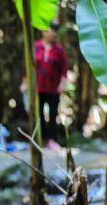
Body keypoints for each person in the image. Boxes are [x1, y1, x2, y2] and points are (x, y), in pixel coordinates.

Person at [33, 22, 68, 150]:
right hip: (38, 88)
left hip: (54, 88)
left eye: (54, 31)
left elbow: (64, 69)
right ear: (43, 32)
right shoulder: (36, 47)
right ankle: (42, 140)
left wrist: (62, 84)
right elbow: (29, 67)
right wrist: (26, 83)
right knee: (39, 114)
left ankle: (52, 140)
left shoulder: (59, 50)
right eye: (50, 30)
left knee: (53, 113)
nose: (53, 33)